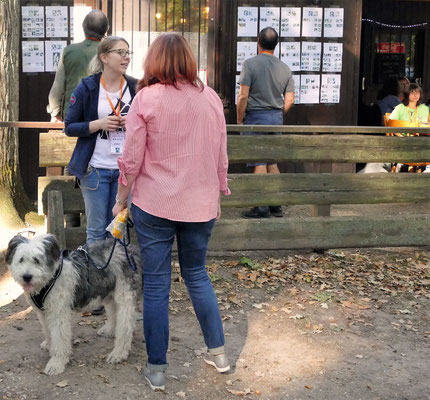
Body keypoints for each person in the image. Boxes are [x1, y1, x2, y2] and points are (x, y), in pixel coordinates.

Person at [112, 33, 230, 391]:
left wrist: (121, 198)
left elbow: (131, 158)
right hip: (201, 203)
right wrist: (219, 190)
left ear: (155, 61)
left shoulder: (145, 98)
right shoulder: (209, 98)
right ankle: (220, 355)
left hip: (155, 203)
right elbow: (220, 152)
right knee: (197, 274)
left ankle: (157, 368)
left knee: (158, 283)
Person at [64, 36, 137, 243]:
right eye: (120, 52)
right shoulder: (88, 87)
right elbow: (69, 127)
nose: (126, 58)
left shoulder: (135, 87)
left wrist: (131, 122)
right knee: (96, 231)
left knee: (118, 231)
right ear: (104, 57)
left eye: (128, 53)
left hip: (126, 172)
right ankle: (95, 275)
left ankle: (117, 275)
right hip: (95, 170)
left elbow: (148, 125)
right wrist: (99, 124)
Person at [237, 27, 295, 219]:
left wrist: (239, 120)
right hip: (275, 119)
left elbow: (243, 96)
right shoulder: (284, 68)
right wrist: (278, 113)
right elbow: (290, 99)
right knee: (272, 161)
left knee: (259, 162)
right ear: (276, 45)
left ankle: (260, 206)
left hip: (256, 117)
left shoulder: (250, 64)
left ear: (258, 41)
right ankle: (275, 205)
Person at [47, 10, 109, 121]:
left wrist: (56, 112)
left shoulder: (68, 51)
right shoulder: (109, 52)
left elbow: (57, 88)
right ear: (105, 30)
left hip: (72, 113)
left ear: (84, 28)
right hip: (100, 115)